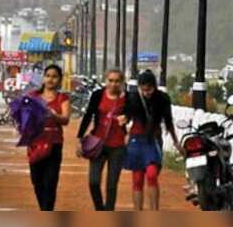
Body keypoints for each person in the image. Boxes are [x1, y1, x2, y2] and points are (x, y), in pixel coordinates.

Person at [119, 70, 182, 211]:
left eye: (149, 89)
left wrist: (176, 143)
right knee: (137, 179)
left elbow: (169, 121)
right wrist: (124, 124)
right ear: (139, 87)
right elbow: (126, 116)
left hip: (153, 140)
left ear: (154, 86)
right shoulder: (133, 98)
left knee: (152, 174)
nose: (147, 92)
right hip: (136, 140)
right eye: (143, 89)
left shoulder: (163, 98)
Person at [76, 68, 127, 210]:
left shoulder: (128, 98)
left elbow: (133, 114)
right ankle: (100, 208)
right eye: (110, 80)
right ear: (105, 81)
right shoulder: (98, 95)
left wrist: (127, 118)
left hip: (118, 146)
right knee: (93, 182)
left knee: (111, 185)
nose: (114, 84)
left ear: (122, 82)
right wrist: (79, 138)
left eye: (117, 81)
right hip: (97, 144)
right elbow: (88, 116)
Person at [28, 64, 71, 211]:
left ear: (59, 80)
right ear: (43, 78)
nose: (50, 79)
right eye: (48, 76)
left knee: (51, 182)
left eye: (54, 77)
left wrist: (54, 115)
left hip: (54, 144)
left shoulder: (62, 98)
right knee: (37, 182)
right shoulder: (33, 96)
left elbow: (66, 119)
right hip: (35, 144)